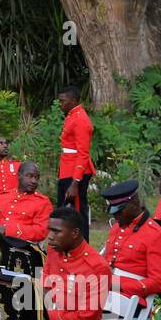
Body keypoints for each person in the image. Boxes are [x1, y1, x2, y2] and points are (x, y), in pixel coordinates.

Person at [99, 180, 161, 305]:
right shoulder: (116, 227)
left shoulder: (155, 235)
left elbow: (158, 283)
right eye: (113, 212)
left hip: (130, 297)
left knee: (77, 302)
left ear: (134, 204)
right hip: (107, 289)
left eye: (119, 211)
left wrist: (117, 284)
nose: (116, 216)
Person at [56, 86, 95, 239]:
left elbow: (83, 154)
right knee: (65, 210)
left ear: (73, 101)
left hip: (75, 172)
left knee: (77, 212)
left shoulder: (81, 120)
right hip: (67, 168)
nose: (60, 104)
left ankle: (82, 245)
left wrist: (75, 182)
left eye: (62, 101)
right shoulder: (72, 115)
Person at [0, 161, 52, 244]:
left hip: (22, 248)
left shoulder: (42, 202)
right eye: (29, 176)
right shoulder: (4, 197)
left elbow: (41, 231)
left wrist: (8, 230)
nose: (34, 181)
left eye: (36, 178)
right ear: (19, 175)